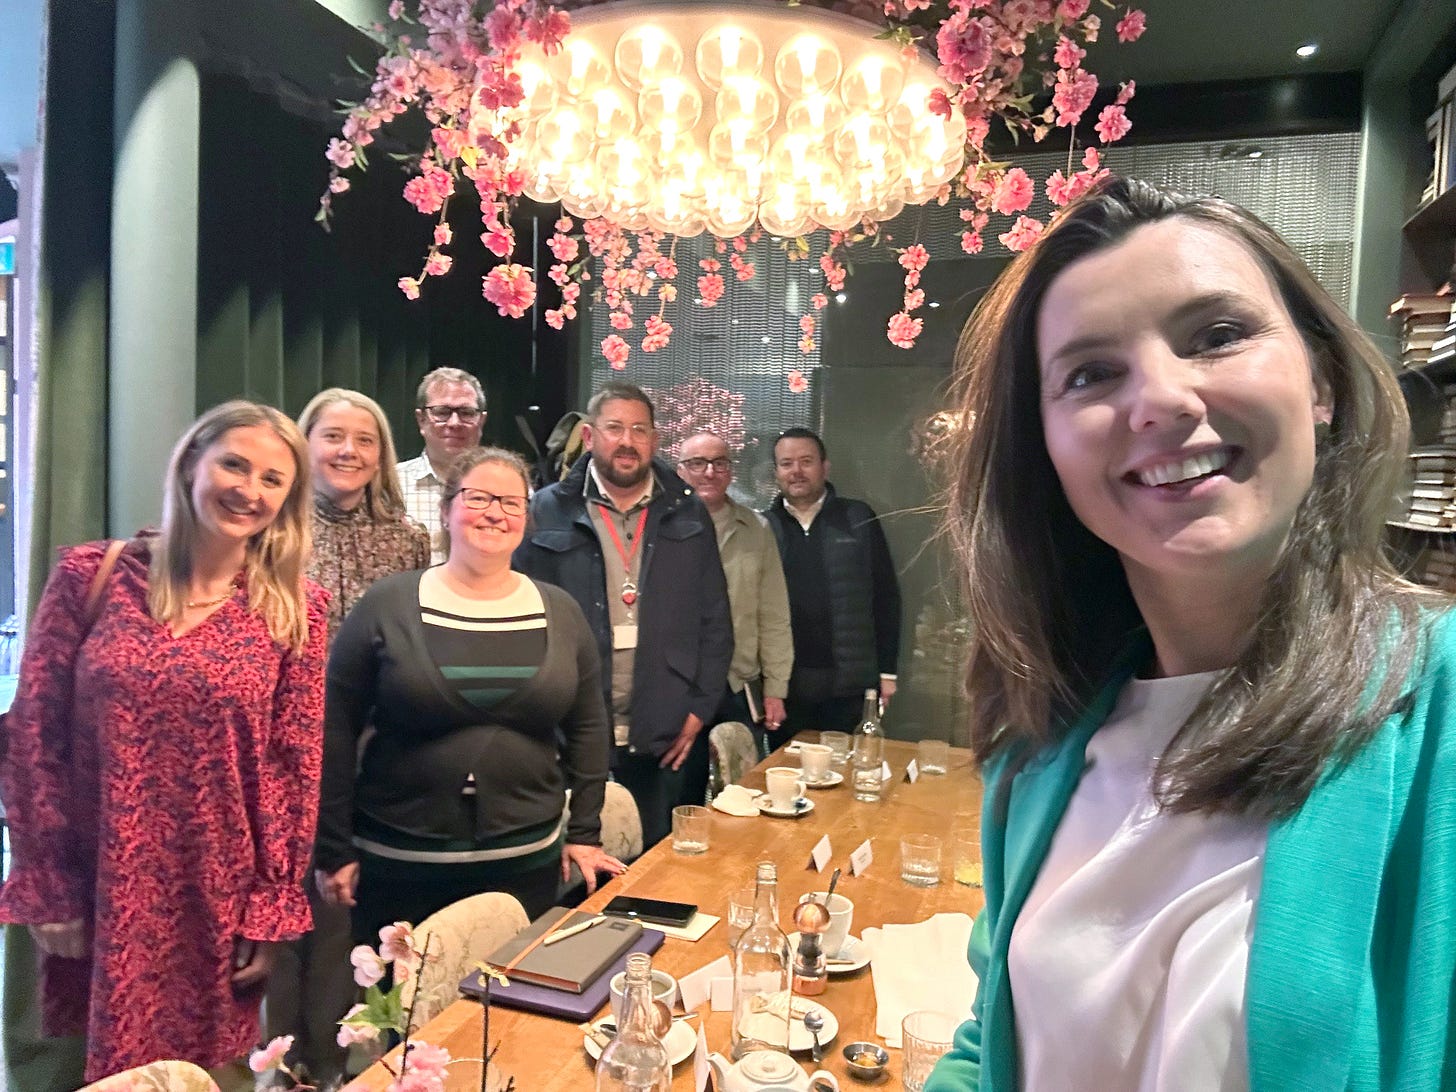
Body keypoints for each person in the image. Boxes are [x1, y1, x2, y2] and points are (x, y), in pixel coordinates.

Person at [925, 178, 1456, 1092]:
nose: (1161, 401)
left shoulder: (1434, 710)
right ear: (1044, 445)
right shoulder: (1043, 743)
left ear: (1321, 377)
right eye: (1091, 374)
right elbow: (996, 1039)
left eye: (1216, 336)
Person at [0, 401, 327, 1083]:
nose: (249, 490)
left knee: (201, 1074)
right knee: (67, 1071)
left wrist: (269, 906)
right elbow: (35, 735)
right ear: (190, 465)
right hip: (92, 885)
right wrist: (49, 884)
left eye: (273, 480)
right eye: (234, 465)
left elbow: (293, 767)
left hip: (211, 896)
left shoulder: (294, 609)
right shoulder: (90, 578)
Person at [317, 447, 625, 937]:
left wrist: (584, 832)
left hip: (525, 863)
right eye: (478, 497)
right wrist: (332, 848)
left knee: (514, 1006)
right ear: (446, 510)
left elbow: (589, 726)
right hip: (398, 863)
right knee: (395, 1010)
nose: (495, 512)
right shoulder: (387, 604)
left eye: (511, 501)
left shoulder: (560, 611)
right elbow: (333, 728)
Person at [262, 388, 432, 1088]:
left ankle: (335, 1064)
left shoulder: (408, 538)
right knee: (281, 910)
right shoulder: (271, 527)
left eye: (364, 440)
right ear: (305, 445)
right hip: (281, 746)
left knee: (345, 912)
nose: (348, 452)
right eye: (333, 437)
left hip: (372, 750)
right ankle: (279, 1060)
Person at [514, 382, 733, 849]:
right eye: (614, 428)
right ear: (590, 438)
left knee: (655, 865)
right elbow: (520, 609)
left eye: (639, 430)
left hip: (664, 726)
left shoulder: (688, 512)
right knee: (576, 868)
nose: (627, 441)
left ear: (655, 441)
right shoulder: (547, 508)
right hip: (570, 725)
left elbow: (716, 620)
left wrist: (699, 709)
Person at [674, 431, 794, 804]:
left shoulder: (756, 528)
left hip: (737, 684)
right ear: (679, 470)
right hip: (679, 686)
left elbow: (773, 613)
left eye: (719, 463)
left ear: (730, 471)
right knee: (679, 797)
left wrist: (776, 686)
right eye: (697, 463)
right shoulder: (663, 526)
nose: (709, 472)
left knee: (742, 797)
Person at [764, 427, 901, 740]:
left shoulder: (858, 518)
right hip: (786, 688)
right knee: (784, 777)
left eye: (806, 461)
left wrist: (887, 672)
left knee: (847, 777)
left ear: (825, 467)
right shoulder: (763, 528)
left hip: (850, 684)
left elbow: (886, 598)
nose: (796, 471)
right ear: (776, 473)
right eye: (786, 464)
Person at [395, 366, 487, 563]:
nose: (454, 423)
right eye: (442, 412)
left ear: (481, 421)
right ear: (421, 420)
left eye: (466, 412)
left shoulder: (506, 488)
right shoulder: (390, 485)